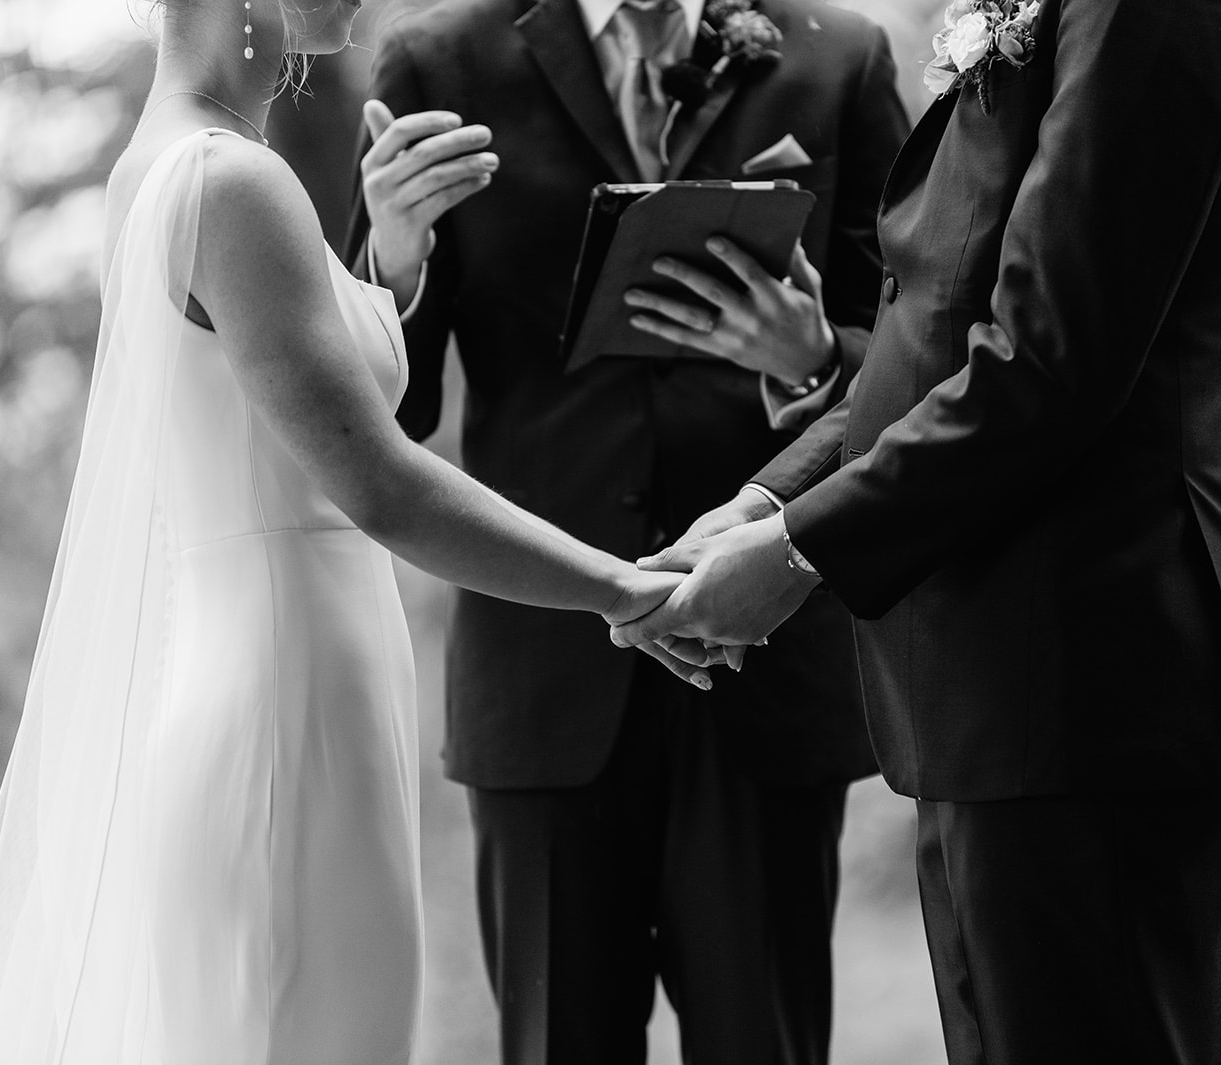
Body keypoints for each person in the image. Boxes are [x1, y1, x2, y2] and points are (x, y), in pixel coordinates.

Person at [0, 0, 721, 1060]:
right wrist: (625, 591)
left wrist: (389, 259)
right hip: (284, 704)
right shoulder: (230, 182)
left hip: (295, 671)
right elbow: (378, 484)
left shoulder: (174, 167)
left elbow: (288, 406)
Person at [613, 0, 1221, 1062]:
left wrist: (805, 553)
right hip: (996, 685)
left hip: (1090, 677)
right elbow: (940, 320)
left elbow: (1047, 359)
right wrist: (769, 503)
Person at [343, 1, 908, 1062]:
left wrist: (814, 353)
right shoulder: (441, 58)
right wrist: (397, 263)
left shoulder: (840, 57)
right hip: (544, 666)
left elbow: (918, 344)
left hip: (763, 655)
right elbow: (384, 416)